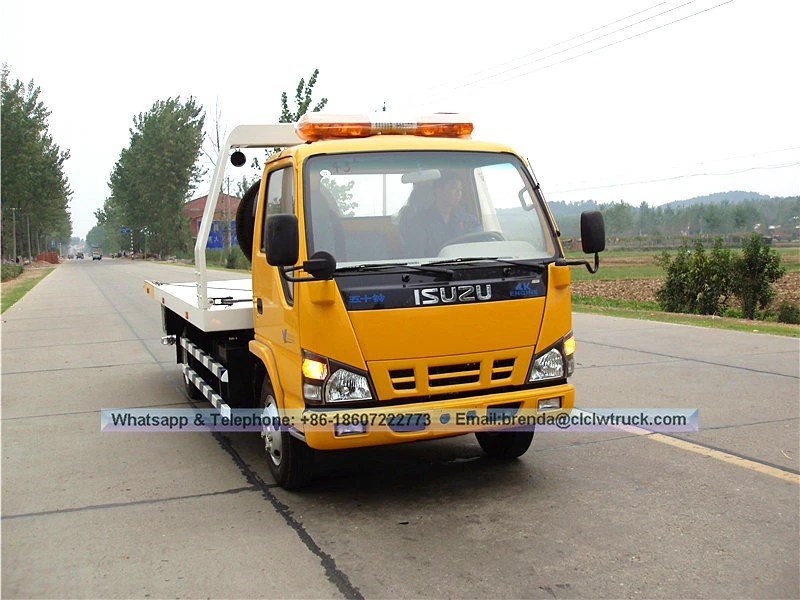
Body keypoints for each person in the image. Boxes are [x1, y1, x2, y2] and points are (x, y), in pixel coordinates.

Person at [401, 172, 480, 257]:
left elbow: (480, 246)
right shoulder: (420, 221)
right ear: (438, 191)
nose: (458, 193)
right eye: (453, 188)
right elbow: (416, 256)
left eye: (460, 189)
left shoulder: (468, 220)